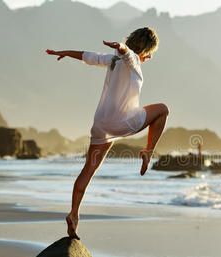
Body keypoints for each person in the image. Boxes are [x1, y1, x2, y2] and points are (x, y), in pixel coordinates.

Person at [46, 27, 169, 239]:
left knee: (88, 170)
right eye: (149, 52)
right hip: (123, 122)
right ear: (145, 48)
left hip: (101, 124)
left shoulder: (112, 60)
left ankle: (74, 215)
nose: (149, 57)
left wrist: (65, 52)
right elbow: (128, 54)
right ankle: (148, 152)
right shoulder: (130, 59)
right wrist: (122, 48)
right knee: (163, 109)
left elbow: (88, 56)